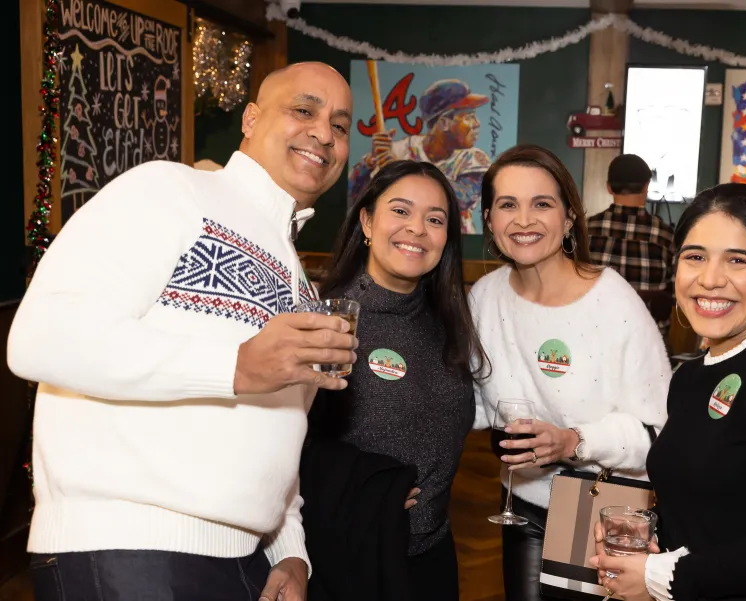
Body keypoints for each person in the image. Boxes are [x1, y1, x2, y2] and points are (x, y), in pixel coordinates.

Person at [7, 62, 357, 601]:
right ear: (251, 118)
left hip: (243, 561)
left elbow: (278, 434)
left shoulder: (295, 275)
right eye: (303, 110)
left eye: (340, 124)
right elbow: (40, 337)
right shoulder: (170, 189)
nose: (323, 133)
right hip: (128, 548)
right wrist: (235, 365)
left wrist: (289, 548)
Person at [593, 183, 746, 601]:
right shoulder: (692, 376)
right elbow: (713, 502)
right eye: (695, 257)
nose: (710, 280)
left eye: (738, 260)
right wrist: (644, 528)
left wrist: (662, 575)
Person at [468, 144, 671, 601]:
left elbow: (656, 432)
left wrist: (573, 441)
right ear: (488, 220)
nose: (524, 220)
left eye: (541, 204)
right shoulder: (484, 297)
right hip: (522, 504)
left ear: (568, 217)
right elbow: (476, 402)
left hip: (604, 508)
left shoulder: (613, 301)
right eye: (507, 205)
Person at [307, 159, 489, 599]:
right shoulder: (330, 319)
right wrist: (374, 487)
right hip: (349, 561)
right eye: (401, 211)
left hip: (432, 557)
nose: (418, 229)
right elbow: (288, 445)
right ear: (367, 221)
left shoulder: (450, 322)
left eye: (435, 219)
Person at [348, 79, 491, 233]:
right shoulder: (400, 150)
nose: (477, 123)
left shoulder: (473, 160)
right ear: (443, 123)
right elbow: (351, 197)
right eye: (468, 116)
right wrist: (369, 164)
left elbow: (459, 198)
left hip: (454, 244)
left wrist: (400, 172)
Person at [587, 154, 676, 343]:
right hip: (649, 346)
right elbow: (677, 292)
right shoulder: (666, 236)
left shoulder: (585, 231)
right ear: (646, 186)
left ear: (609, 187)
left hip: (593, 341)